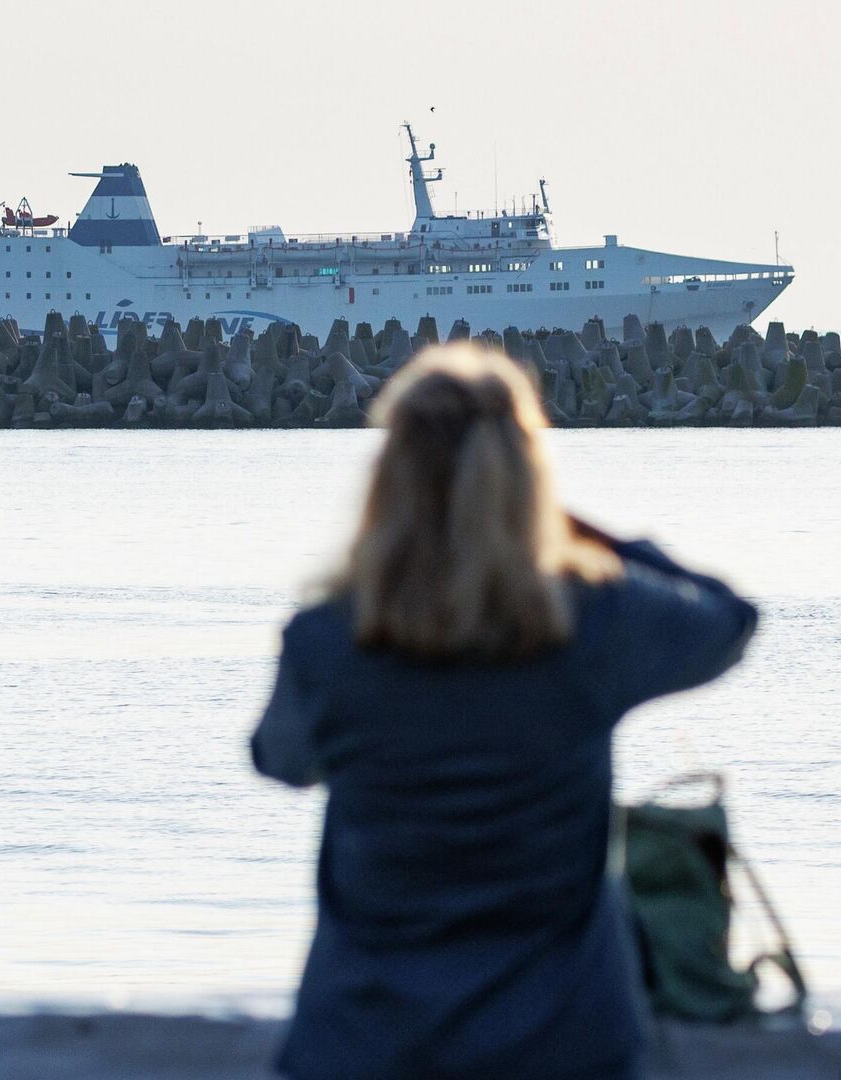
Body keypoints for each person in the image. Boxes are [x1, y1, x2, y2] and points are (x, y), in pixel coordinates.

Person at [252, 341, 758, 1080]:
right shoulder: (591, 625)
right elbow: (730, 619)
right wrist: (584, 532)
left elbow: (281, 761)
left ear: (391, 478)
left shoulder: (329, 641)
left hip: (367, 1041)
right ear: (524, 475)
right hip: (560, 1045)